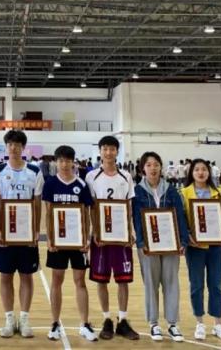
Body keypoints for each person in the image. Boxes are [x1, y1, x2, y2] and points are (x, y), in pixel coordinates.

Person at [0, 130, 43, 338]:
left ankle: (25, 319)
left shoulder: (34, 171)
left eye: (18, 144)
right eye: (10, 144)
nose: (14, 148)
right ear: (6, 147)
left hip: (27, 235)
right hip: (6, 235)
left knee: (27, 276)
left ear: (23, 148)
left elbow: (37, 204)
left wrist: (36, 230)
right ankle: (9, 319)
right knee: (6, 276)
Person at [85, 135, 139, 340]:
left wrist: (130, 231)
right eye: (105, 149)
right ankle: (107, 319)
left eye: (112, 149)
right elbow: (91, 208)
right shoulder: (91, 176)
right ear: (100, 151)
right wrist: (95, 231)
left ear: (117, 151)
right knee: (101, 279)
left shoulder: (126, 176)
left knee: (123, 279)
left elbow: (129, 206)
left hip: (121, 235)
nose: (108, 152)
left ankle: (123, 320)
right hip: (101, 236)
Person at [42, 145, 98, 342]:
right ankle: (55, 323)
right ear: (55, 162)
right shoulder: (50, 184)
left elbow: (86, 214)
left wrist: (86, 238)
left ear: (73, 162)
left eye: (67, 160)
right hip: (58, 242)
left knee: (80, 281)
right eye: (61, 161)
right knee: (56, 280)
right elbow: (48, 213)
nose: (64, 164)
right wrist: (49, 237)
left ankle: (84, 324)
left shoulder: (81, 185)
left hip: (77, 242)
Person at [132, 152, 189, 342]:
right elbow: (136, 219)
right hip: (147, 246)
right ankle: (154, 323)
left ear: (161, 167)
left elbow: (180, 215)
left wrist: (182, 241)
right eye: (149, 165)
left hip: (171, 244)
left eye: (156, 164)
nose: (153, 168)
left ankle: (172, 323)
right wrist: (141, 242)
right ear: (143, 169)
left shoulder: (171, 190)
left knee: (171, 282)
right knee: (151, 283)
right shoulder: (137, 191)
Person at [181, 159, 221, 342]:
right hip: (195, 247)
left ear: (208, 172)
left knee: (216, 285)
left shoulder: (218, 192)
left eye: (204, 169)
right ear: (191, 173)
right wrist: (187, 236)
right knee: (196, 285)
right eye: (197, 169)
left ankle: (218, 324)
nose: (200, 172)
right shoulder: (184, 193)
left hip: (216, 247)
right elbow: (181, 219)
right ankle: (200, 323)